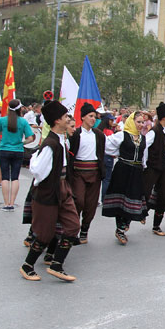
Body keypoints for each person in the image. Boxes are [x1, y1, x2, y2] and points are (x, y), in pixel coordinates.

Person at [20, 100, 80, 282]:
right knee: (45, 233)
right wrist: (49, 184)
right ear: (56, 121)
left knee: (73, 225)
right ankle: (27, 265)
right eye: (64, 117)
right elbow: (37, 169)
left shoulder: (61, 140)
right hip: (50, 190)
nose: (68, 119)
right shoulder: (51, 143)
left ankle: (57, 265)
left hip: (63, 189)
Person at [102, 112, 147, 245]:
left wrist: (143, 168)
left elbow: (144, 156)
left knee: (133, 199)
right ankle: (120, 229)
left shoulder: (142, 138)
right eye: (138, 122)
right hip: (123, 169)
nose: (140, 125)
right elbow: (107, 146)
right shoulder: (122, 135)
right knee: (121, 200)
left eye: (142, 122)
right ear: (131, 122)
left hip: (137, 171)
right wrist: (118, 154)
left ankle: (125, 224)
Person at [68, 103, 106, 244]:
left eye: (94, 117)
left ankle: (85, 230)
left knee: (91, 204)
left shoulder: (99, 135)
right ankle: (73, 230)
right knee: (78, 200)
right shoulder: (76, 134)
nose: (93, 119)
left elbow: (102, 153)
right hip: (78, 172)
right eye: (90, 116)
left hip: (95, 172)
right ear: (83, 117)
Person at [0, 100, 36, 211]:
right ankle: (12, 203)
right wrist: (21, 143)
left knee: (5, 177)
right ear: (20, 109)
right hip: (18, 150)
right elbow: (30, 138)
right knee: (15, 177)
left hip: (4, 149)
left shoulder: (2, 120)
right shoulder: (23, 122)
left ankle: (5, 203)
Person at [143, 102, 165, 236]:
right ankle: (135, 216)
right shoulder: (154, 131)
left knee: (164, 194)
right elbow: (144, 146)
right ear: (163, 117)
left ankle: (156, 225)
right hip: (153, 166)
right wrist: (144, 164)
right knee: (145, 192)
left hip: (164, 166)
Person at [97, 113, 117, 200]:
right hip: (108, 156)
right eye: (111, 120)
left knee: (97, 179)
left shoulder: (97, 131)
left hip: (99, 156)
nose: (113, 122)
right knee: (107, 179)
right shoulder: (109, 132)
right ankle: (104, 198)